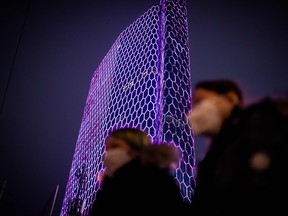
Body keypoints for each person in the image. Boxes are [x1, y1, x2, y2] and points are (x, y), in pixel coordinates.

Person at [188, 79, 288, 215]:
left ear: (230, 98)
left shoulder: (259, 125)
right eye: (194, 104)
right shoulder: (218, 148)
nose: (195, 110)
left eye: (200, 101)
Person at [89, 127, 186, 215]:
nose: (108, 153)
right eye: (107, 148)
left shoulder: (156, 182)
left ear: (135, 150)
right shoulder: (111, 183)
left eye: (115, 146)